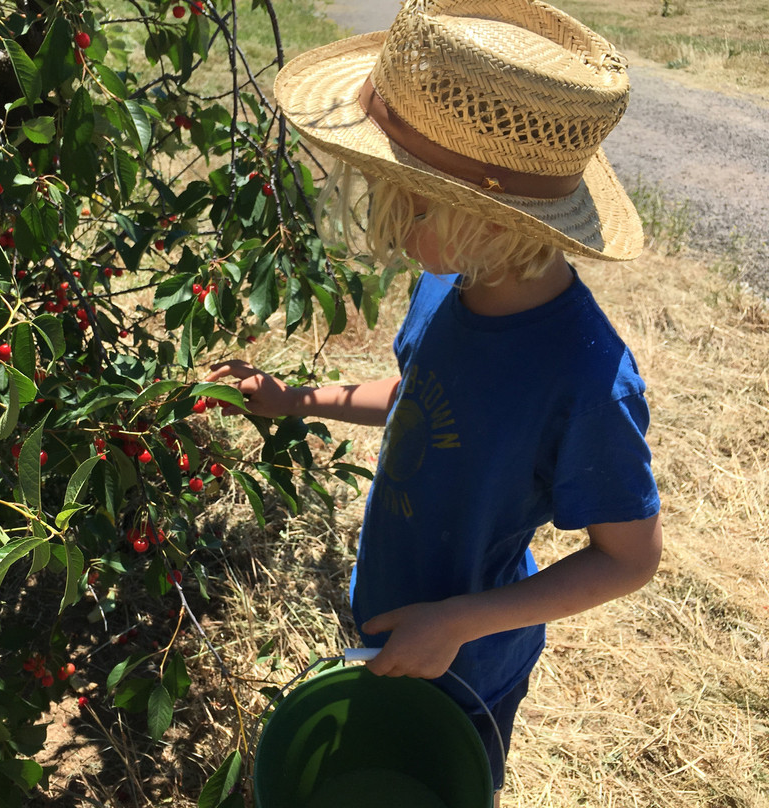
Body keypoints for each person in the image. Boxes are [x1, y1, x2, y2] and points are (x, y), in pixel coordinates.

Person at [206, 1, 663, 804]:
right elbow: (423, 406)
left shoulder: (585, 376)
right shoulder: (452, 282)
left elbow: (630, 557)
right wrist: (297, 399)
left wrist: (455, 623)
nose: (388, 214)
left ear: (489, 219)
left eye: (407, 199)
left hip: (471, 666)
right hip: (389, 607)